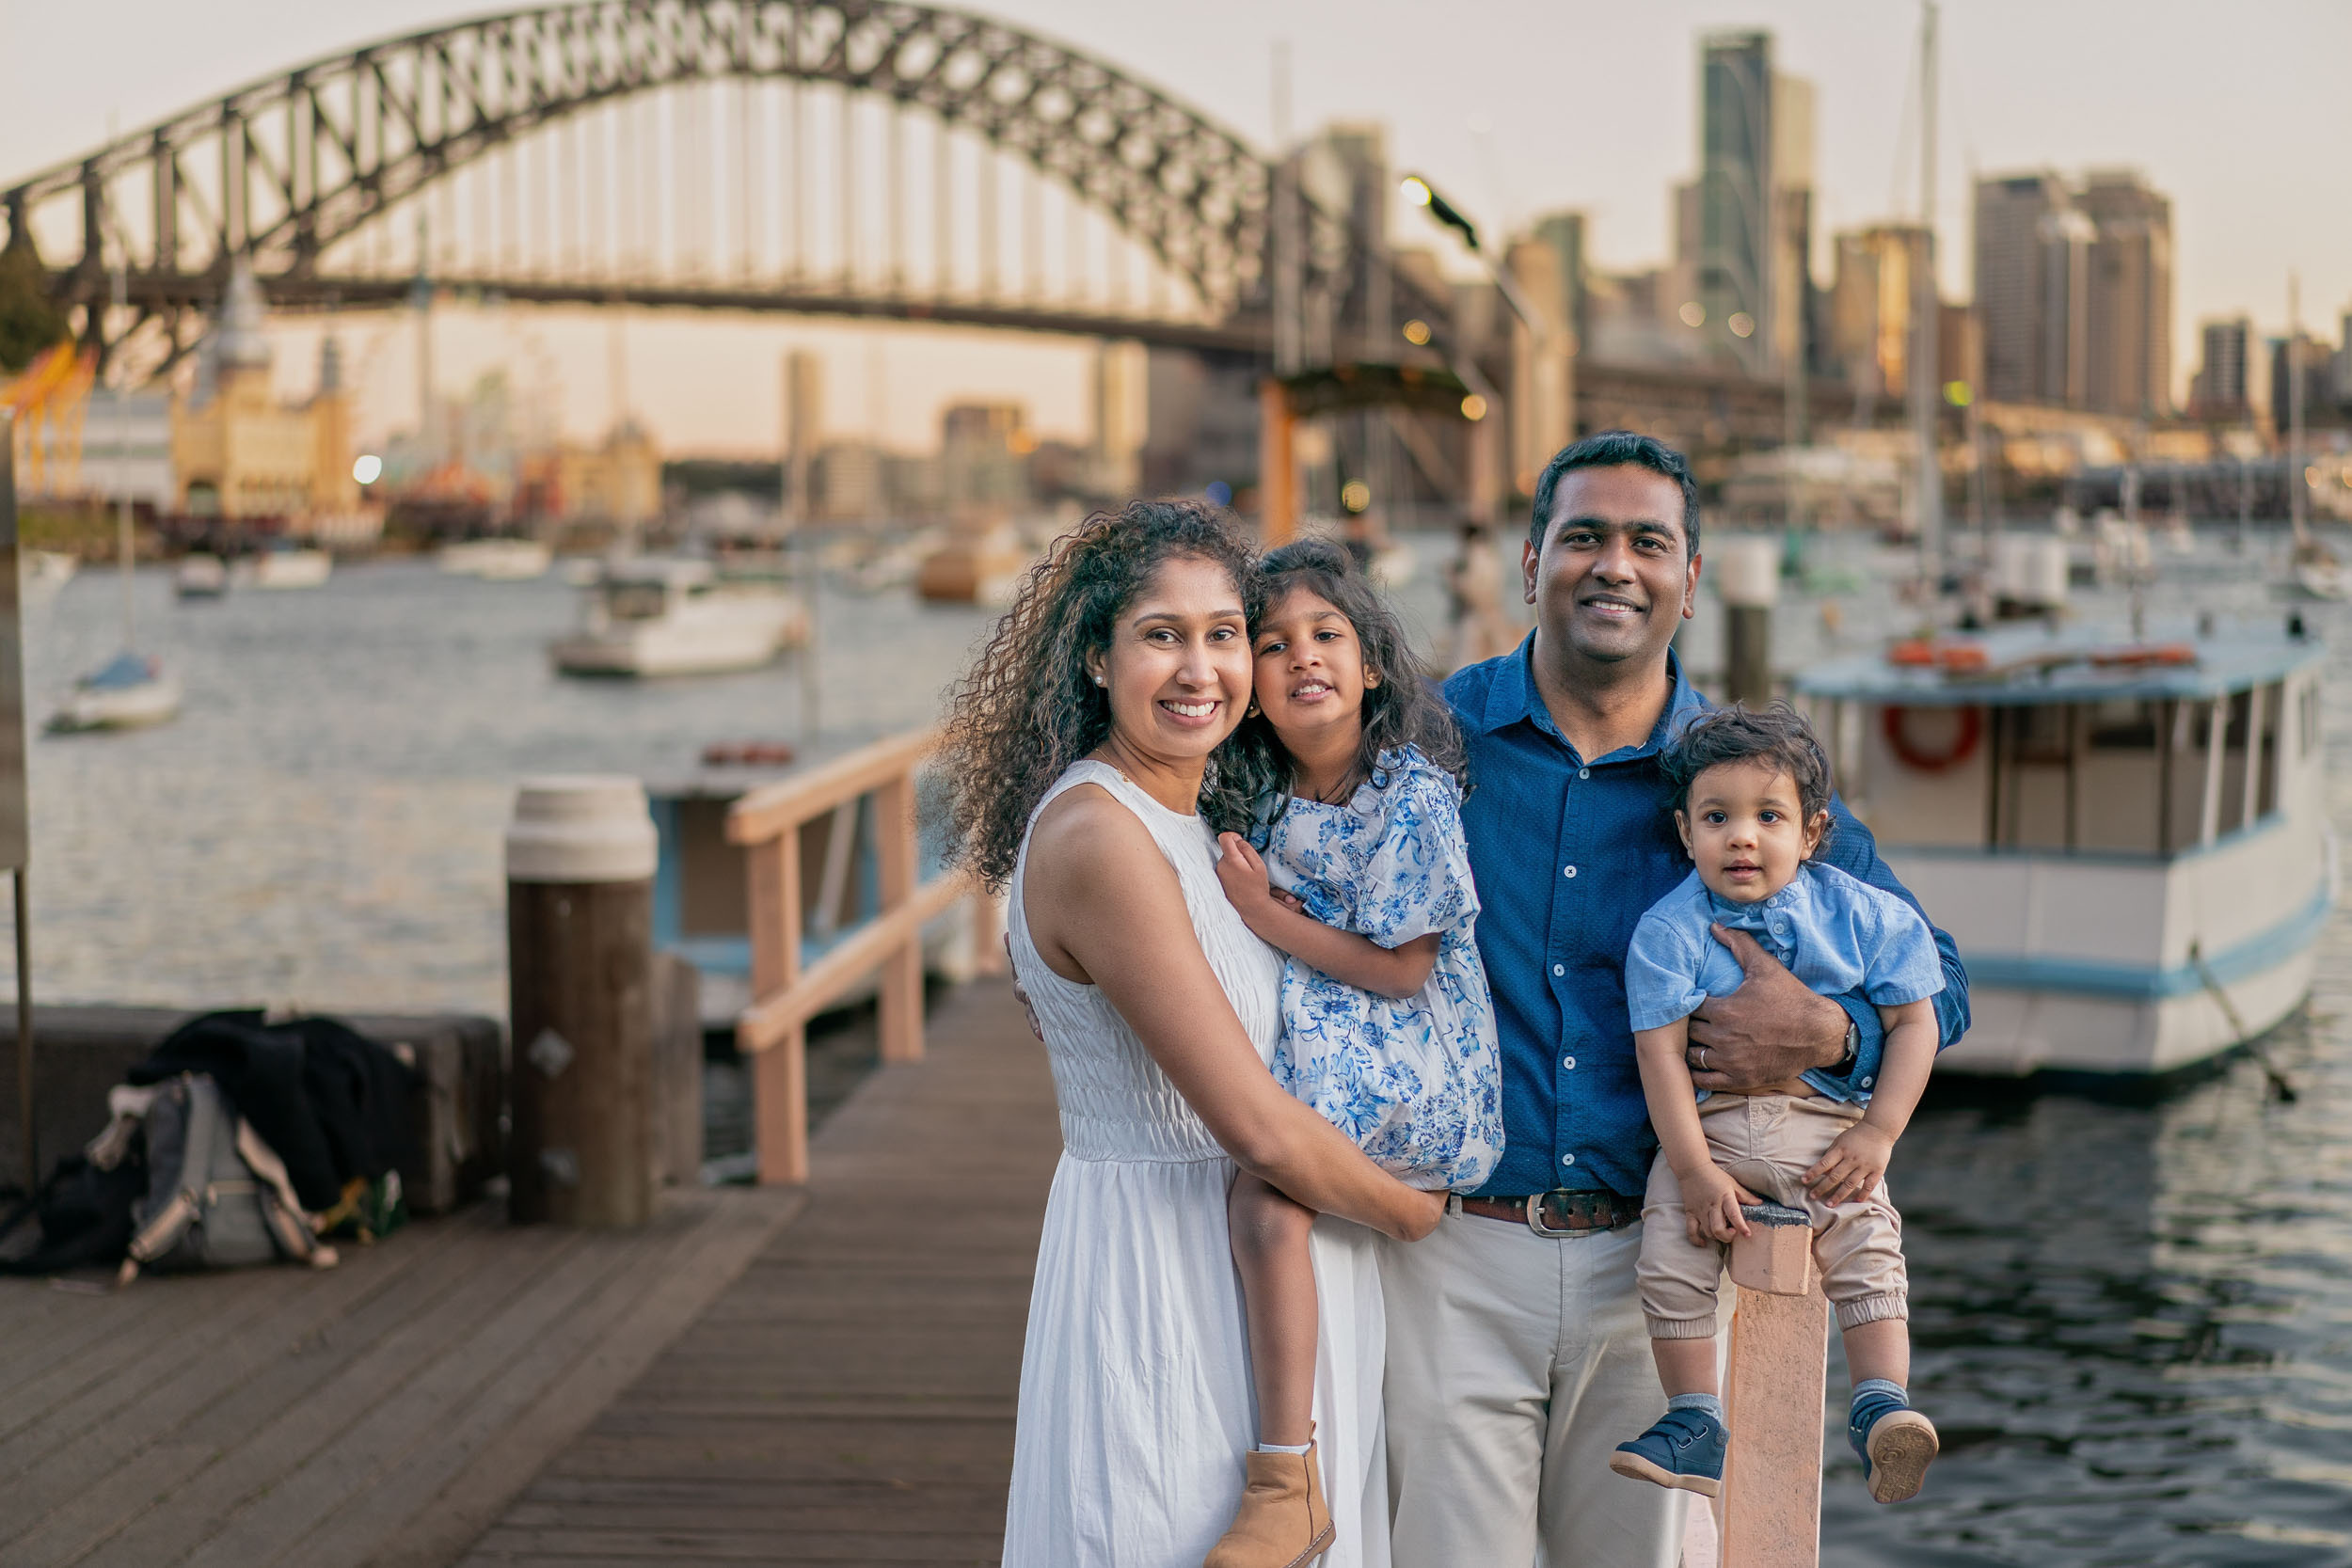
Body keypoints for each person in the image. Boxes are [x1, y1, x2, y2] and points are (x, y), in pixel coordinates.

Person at [1383, 431, 1971, 1567]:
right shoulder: (1429, 735)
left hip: (1657, 1276)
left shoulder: (1745, 777)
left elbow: (1937, 976)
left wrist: (1833, 1031)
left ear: (1690, 580)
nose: (1616, 565)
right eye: (1584, 537)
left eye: (1648, 542)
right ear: (1530, 561)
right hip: (1453, 1258)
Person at [943, 501, 1444, 1568]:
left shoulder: (1197, 823)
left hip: (1271, 1278)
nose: (1199, 667)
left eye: (1224, 633)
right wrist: (1416, 1215)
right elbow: (1258, 1126)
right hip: (1167, 1275)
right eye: (1161, 634)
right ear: (1092, 656)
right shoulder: (1098, 834)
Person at [1204, 540, 1503, 1568]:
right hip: (1340, 1043)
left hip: (1413, 1063)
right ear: (1251, 688)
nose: (1302, 659)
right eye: (1273, 644)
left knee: (1259, 1192)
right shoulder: (1261, 793)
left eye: (1325, 635)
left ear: (1371, 663)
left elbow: (1401, 970)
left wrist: (1261, 912)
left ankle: (1284, 1475)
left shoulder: (1407, 797)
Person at [1608, 704, 1942, 1505]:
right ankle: (1694, 1416)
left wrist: (1879, 1132)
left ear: (1813, 830)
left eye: (1769, 816)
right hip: (1712, 1135)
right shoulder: (1670, 929)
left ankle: (1880, 1403)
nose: (1743, 837)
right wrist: (1690, 1171)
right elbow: (1658, 1054)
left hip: (1828, 1133)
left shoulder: (1863, 913)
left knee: (1866, 1239)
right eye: (1717, 817)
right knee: (1671, 1251)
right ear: (1686, 832)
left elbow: (1917, 1020)